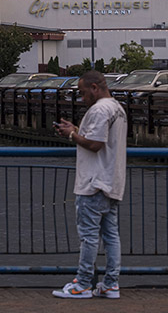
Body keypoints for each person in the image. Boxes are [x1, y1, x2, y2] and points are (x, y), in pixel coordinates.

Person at [52, 70, 127, 299]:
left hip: (93, 182)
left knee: (88, 236)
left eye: (83, 93)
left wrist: (71, 135)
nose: (81, 98)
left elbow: (95, 144)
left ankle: (83, 284)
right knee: (111, 235)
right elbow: (101, 139)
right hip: (112, 181)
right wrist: (76, 129)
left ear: (95, 88)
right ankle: (111, 283)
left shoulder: (99, 109)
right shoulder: (118, 109)